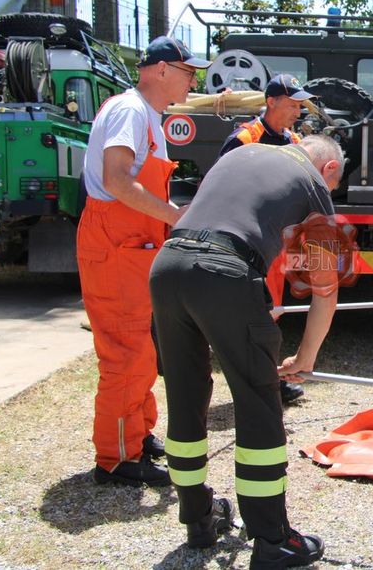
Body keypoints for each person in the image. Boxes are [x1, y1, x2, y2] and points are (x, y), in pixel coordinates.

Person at [150, 134, 345, 566]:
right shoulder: (313, 183)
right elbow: (325, 287)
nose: (328, 192)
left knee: (184, 396)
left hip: (168, 265)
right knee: (258, 401)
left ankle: (198, 519)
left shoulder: (239, 154)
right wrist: (306, 355)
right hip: (224, 270)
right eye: (333, 184)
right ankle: (273, 540)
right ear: (329, 168)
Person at [78, 35, 209, 487]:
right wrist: (174, 216)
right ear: (161, 70)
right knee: (125, 352)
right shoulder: (129, 111)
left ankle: (137, 433)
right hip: (116, 245)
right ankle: (116, 457)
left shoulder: (148, 115)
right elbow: (117, 180)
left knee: (142, 347)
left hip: (135, 245)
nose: (193, 81)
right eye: (188, 72)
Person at [218, 73, 314, 407]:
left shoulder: (294, 141)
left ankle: (268, 379)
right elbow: (221, 187)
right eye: (292, 105)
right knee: (250, 316)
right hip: (248, 243)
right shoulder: (244, 139)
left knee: (271, 313)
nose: (297, 112)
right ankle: (257, 384)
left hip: (278, 244)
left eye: (300, 106)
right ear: (271, 102)